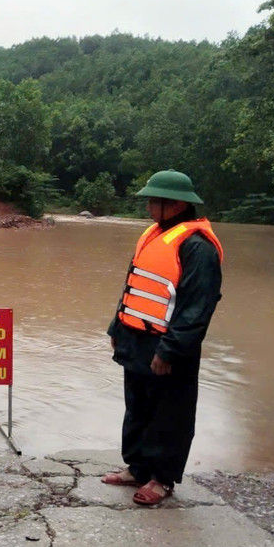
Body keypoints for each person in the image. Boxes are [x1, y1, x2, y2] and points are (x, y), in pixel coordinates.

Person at [102, 170, 223, 505]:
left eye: (155, 201)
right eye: (150, 200)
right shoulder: (154, 235)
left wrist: (169, 351)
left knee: (169, 414)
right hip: (137, 339)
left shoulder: (198, 248)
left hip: (169, 346)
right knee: (138, 406)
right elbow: (134, 284)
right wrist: (117, 327)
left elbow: (196, 309)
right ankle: (138, 468)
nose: (149, 207)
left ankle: (161, 478)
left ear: (178, 205)